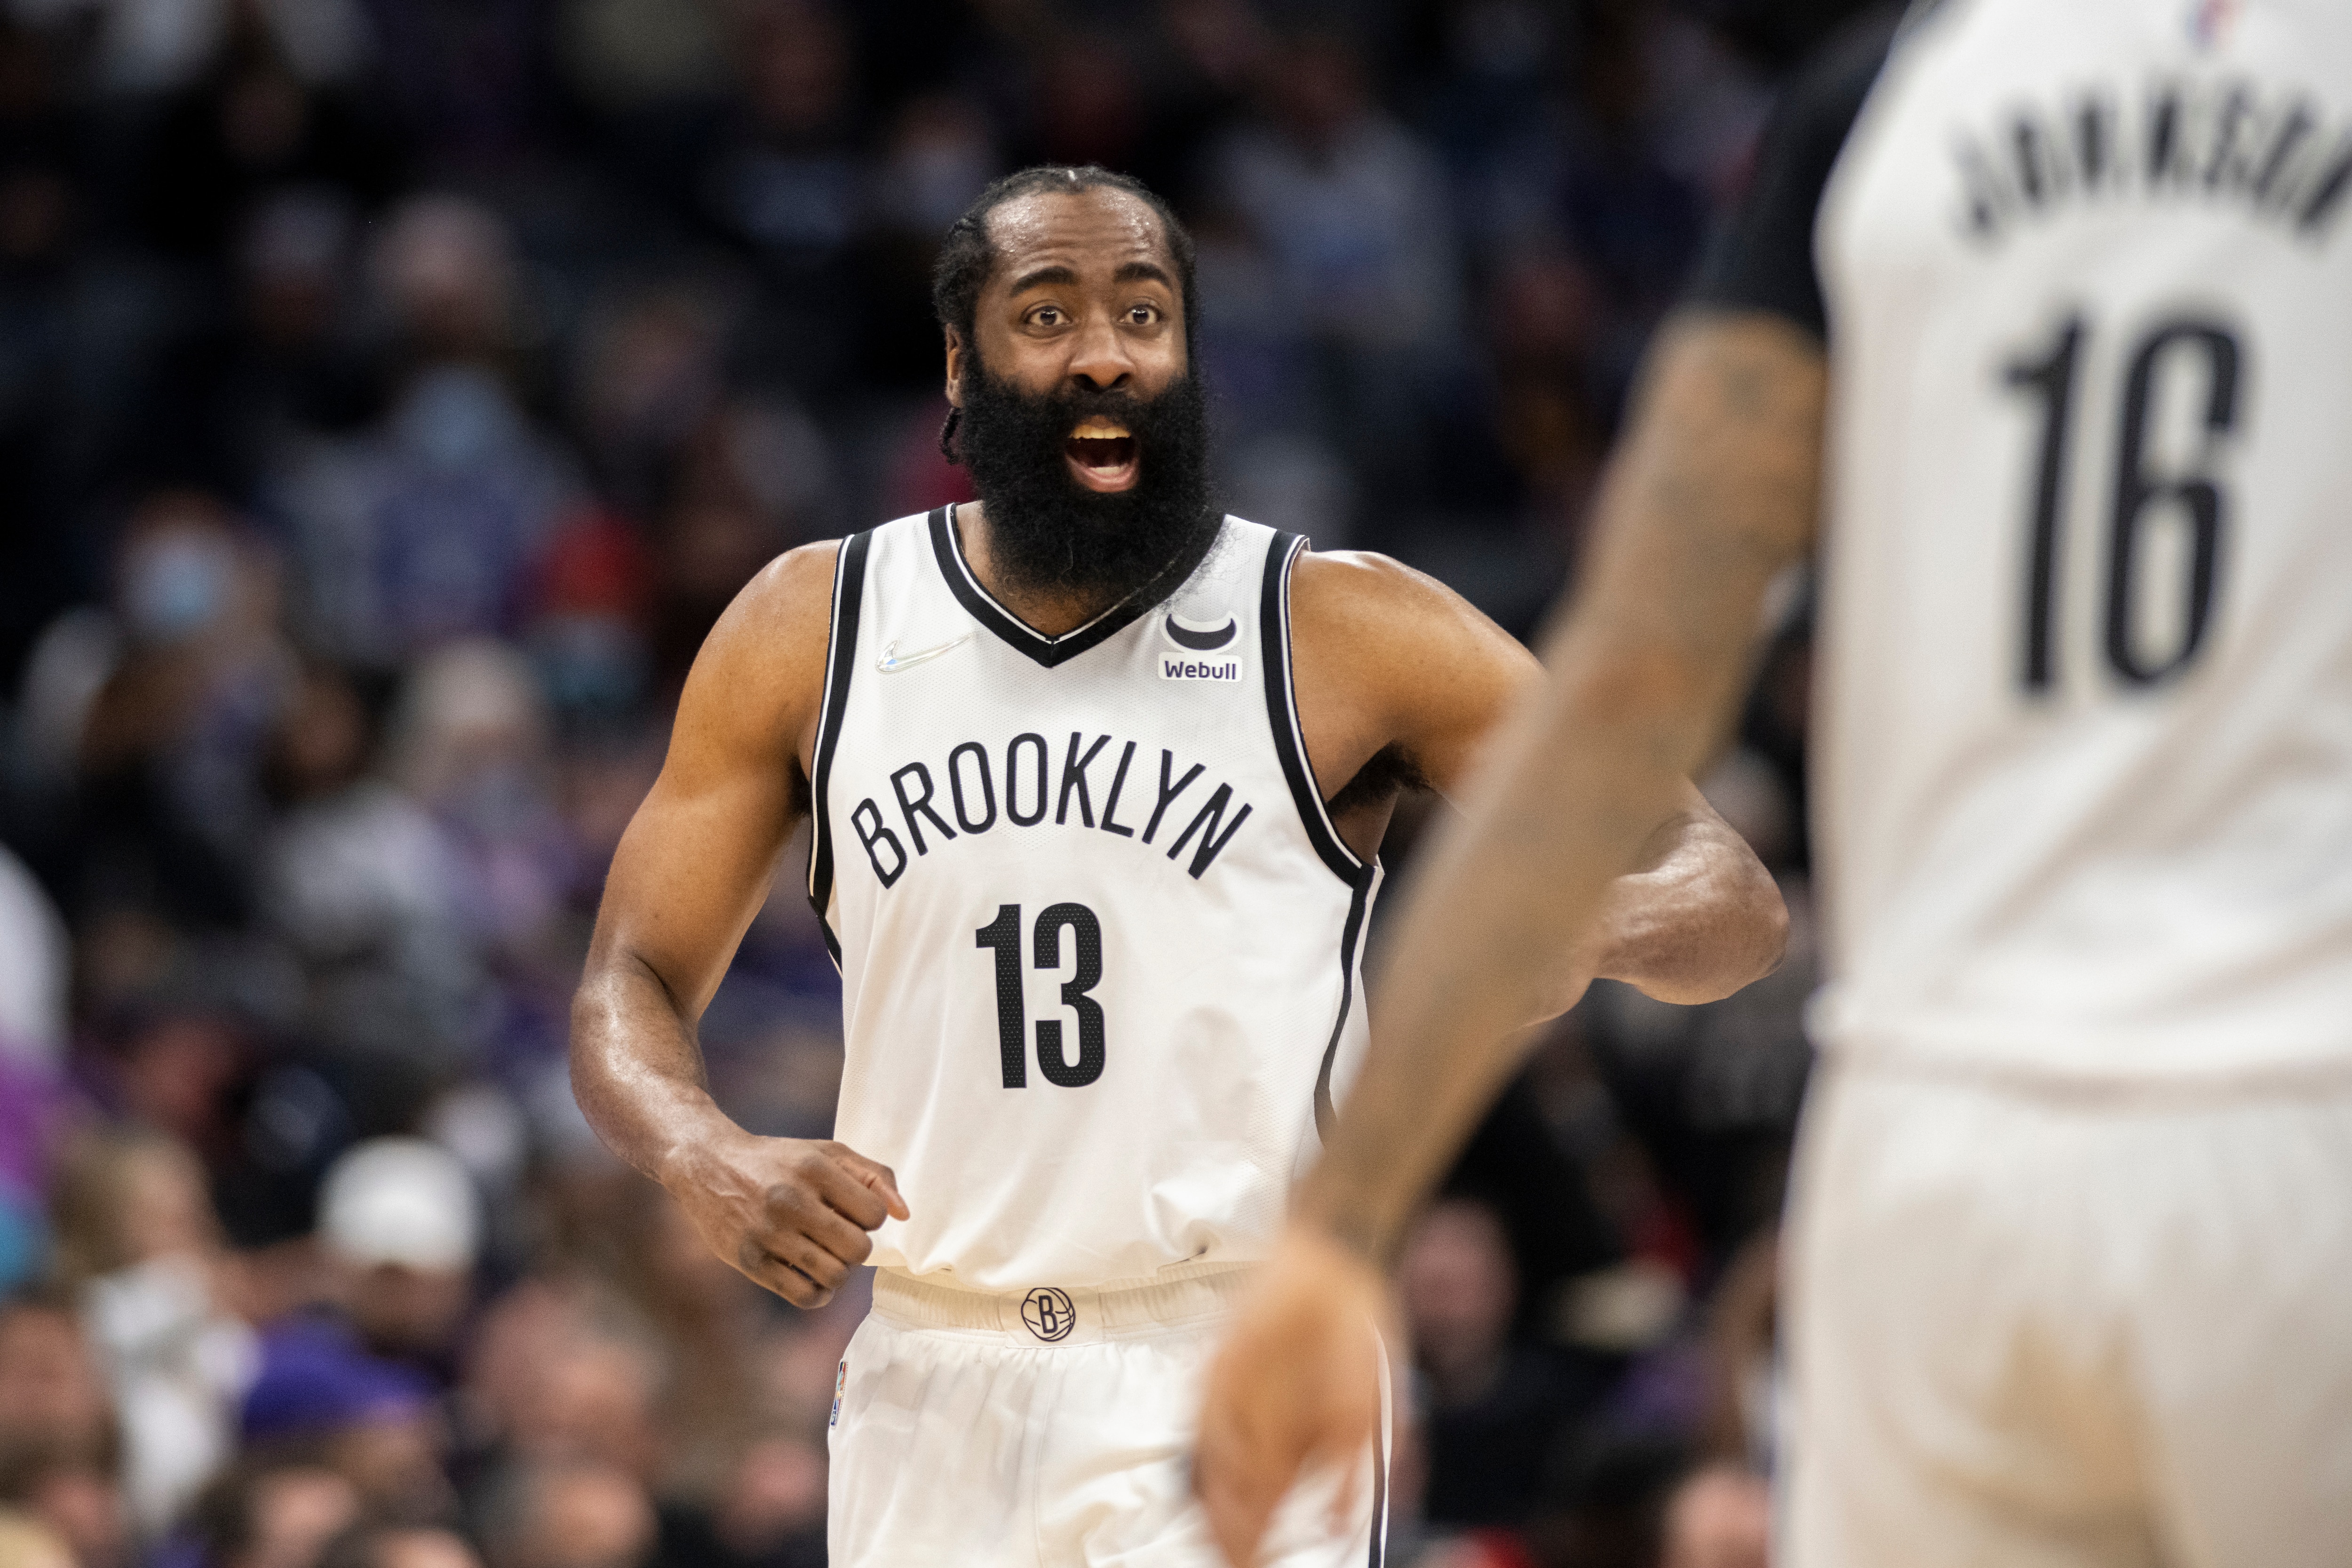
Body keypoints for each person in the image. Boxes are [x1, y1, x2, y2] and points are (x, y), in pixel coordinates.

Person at [1193, 3, 2352, 1565]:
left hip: (1934, 1153)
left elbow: (1626, 677)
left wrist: (1341, 1234)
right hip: (2301, 1116)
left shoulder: (1890, 98)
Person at [568, 163, 1785, 1567]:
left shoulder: (1346, 629)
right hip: (931, 1369)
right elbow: (628, 977)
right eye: (1048, 314)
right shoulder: (812, 627)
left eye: (1146, 315)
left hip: (1234, 1351)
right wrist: (705, 1154)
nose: (1105, 352)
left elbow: (1731, 897)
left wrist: (1587, 929)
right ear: (961, 363)